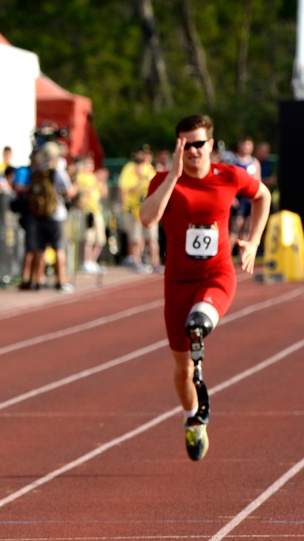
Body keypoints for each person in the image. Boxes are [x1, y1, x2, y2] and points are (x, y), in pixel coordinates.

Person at [139, 114, 271, 461]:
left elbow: (263, 196)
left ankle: (199, 330)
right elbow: (148, 218)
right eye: (185, 144)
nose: (193, 151)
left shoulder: (228, 176)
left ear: (211, 145)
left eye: (198, 143)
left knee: (199, 321)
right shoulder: (163, 181)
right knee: (182, 371)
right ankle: (192, 419)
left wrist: (254, 241)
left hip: (217, 276)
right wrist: (172, 176)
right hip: (177, 283)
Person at [26, 142, 76, 292]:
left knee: (39, 249)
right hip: (56, 215)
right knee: (59, 248)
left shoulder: (37, 171)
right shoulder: (57, 171)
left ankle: (38, 280)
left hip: (38, 214)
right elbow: (68, 192)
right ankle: (61, 281)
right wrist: (76, 186)